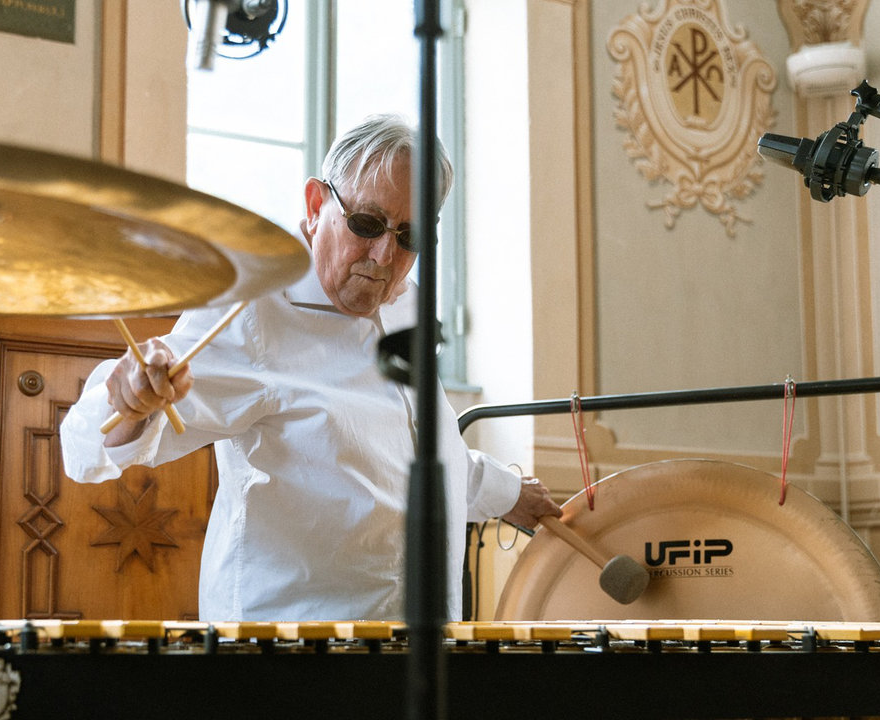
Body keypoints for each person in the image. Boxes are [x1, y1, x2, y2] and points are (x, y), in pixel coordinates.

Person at [60, 114, 561, 621]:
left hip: (413, 638)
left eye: (410, 237)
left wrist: (508, 493)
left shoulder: (407, 309)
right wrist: (131, 397)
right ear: (316, 205)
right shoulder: (253, 312)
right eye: (367, 224)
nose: (384, 255)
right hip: (290, 640)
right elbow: (88, 445)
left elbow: (403, 459)